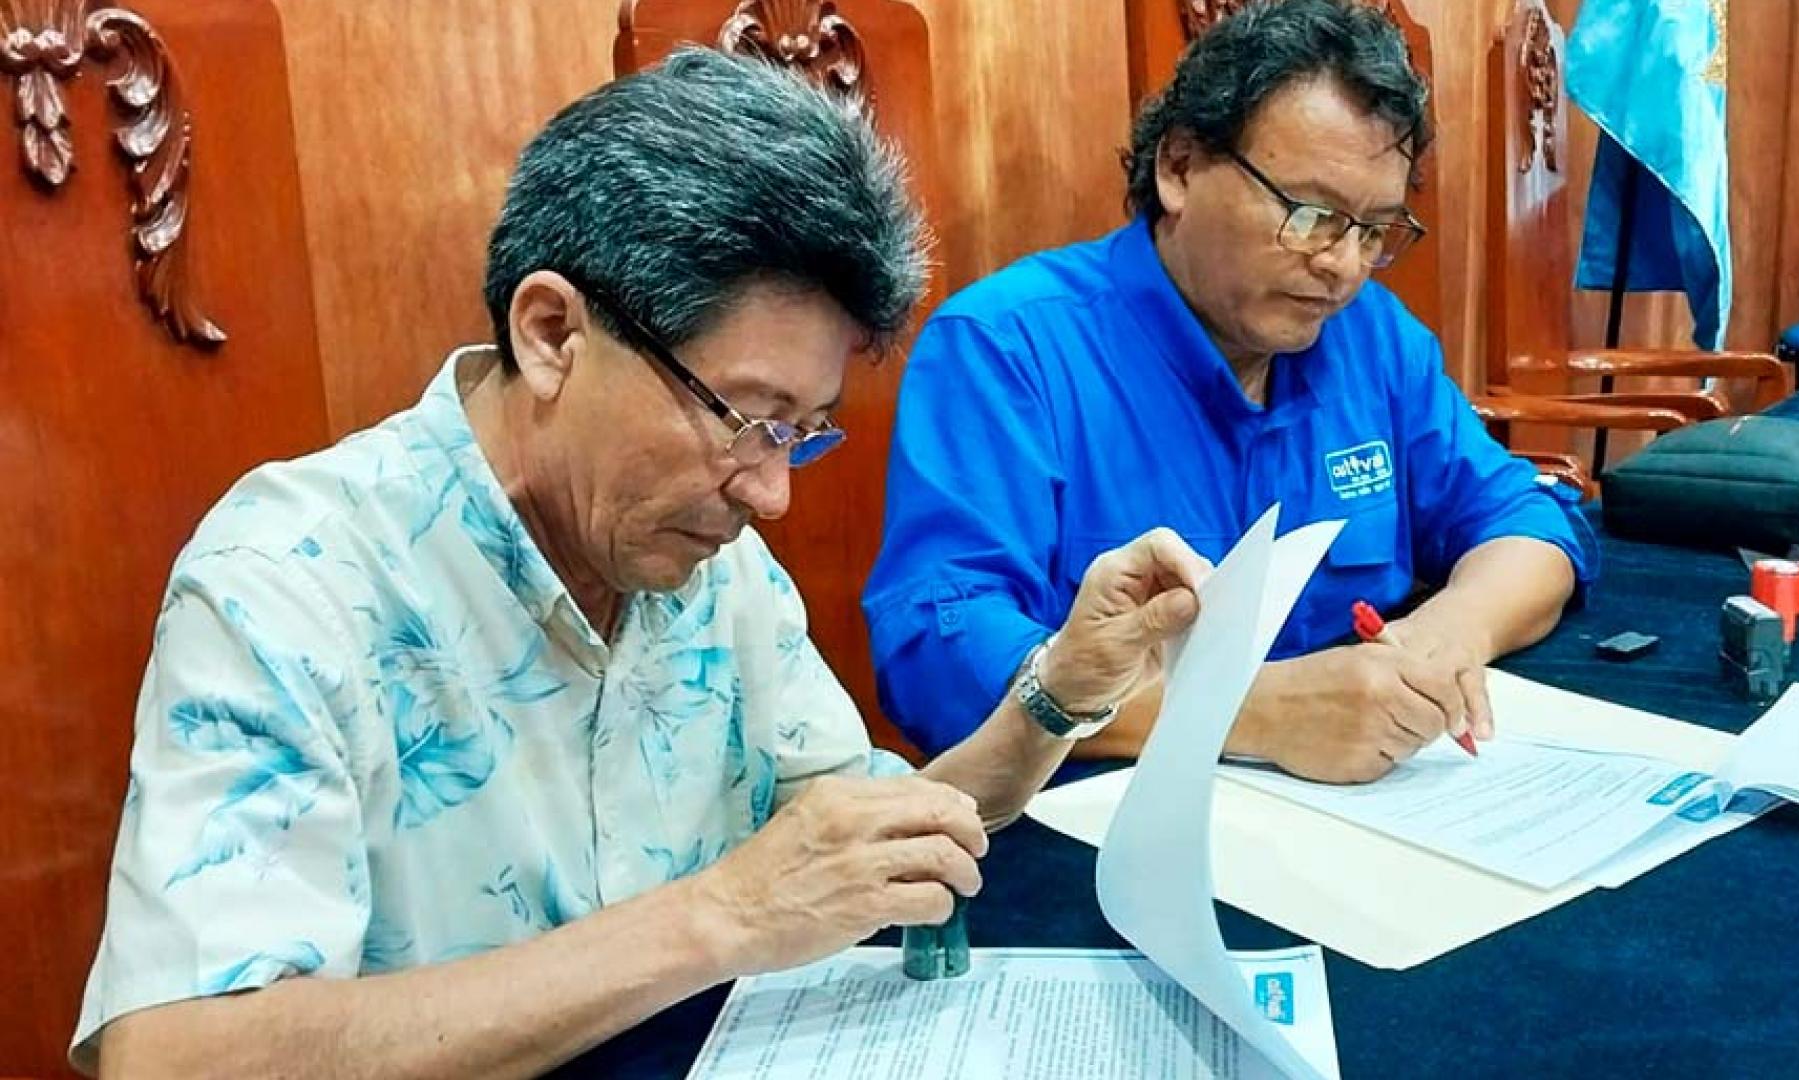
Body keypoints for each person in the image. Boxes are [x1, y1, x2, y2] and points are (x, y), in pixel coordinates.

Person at [73, 49, 1209, 1078]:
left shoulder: (709, 566)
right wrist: (722, 916)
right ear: (552, 334)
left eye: (800, 433)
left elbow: (876, 839)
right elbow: (174, 1056)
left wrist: (1061, 691)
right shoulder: (293, 579)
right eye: (746, 419)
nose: (770, 492)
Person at [862, 0, 1596, 785]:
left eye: (1374, 230)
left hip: (1355, 806)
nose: (1342, 266)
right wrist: (1257, 712)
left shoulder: (1372, 337)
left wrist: (1443, 640)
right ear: (1180, 168)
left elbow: (1528, 525)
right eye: (1311, 216)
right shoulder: (1007, 349)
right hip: (1103, 825)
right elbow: (937, 661)